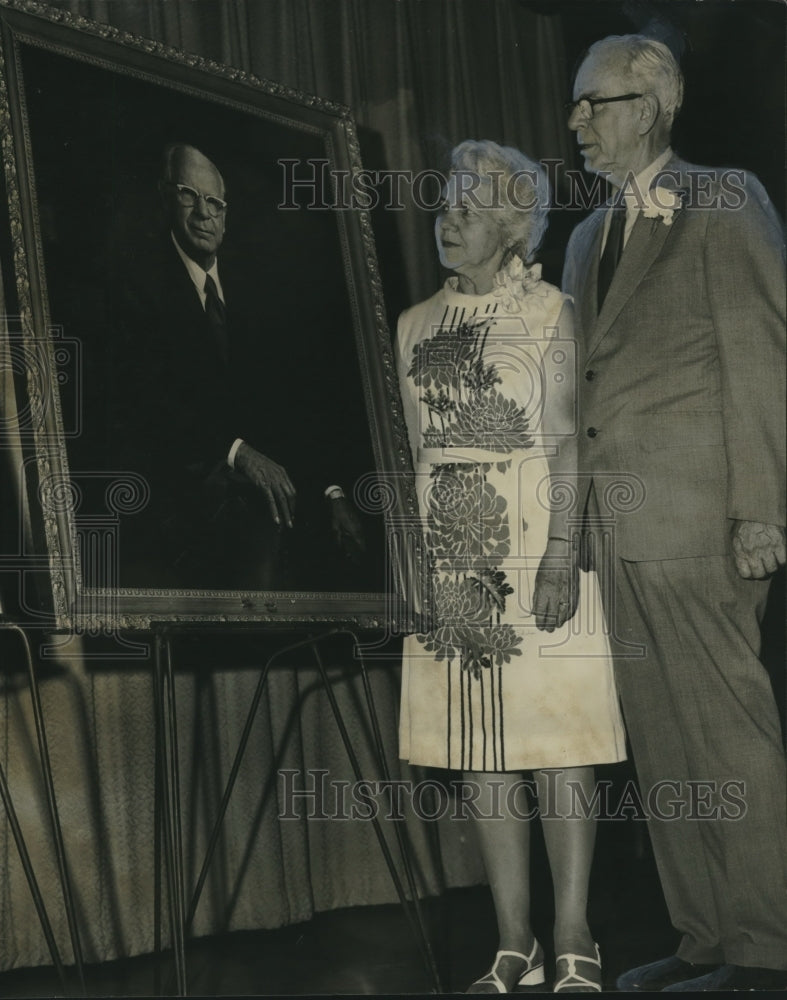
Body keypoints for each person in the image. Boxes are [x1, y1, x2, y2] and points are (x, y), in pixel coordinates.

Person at [562, 35, 787, 992]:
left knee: (726, 735)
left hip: (702, 520)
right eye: (573, 107)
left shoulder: (724, 198)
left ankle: (767, 949)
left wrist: (759, 509)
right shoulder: (581, 238)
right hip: (616, 535)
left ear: (648, 106)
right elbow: (582, 396)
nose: (574, 122)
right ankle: (706, 943)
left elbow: (761, 355)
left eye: (591, 103)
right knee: (660, 745)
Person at [397, 140, 626, 993]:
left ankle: (573, 934)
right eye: (445, 200)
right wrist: (418, 567)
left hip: (538, 544)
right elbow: (415, 455)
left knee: (560, 744)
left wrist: (562, 554)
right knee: (480, 749)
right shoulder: (411, 324)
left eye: (468, 202)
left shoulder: (552, 314)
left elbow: (568, 440)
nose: (447, 215)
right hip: (452, 555)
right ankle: (512, 942)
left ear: (513, 226)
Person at [105, 143, 366, 589]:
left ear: (226, 216)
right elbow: (149, 405)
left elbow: (294, 403)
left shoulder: (253, 291)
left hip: (257, 487)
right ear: (166, 196)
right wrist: (238, 452)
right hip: (176, 490)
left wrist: (334, 491)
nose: (203, 213)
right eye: (189, 195)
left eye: (215, 202)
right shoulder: (137, 288)